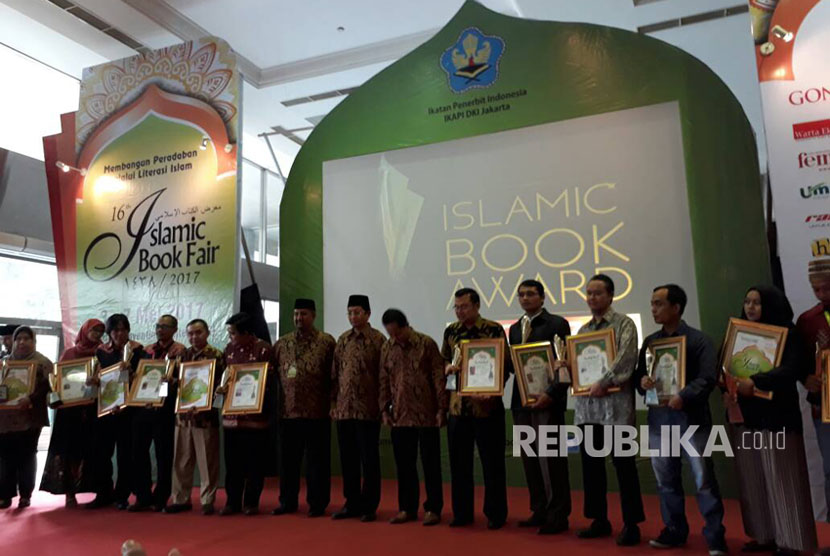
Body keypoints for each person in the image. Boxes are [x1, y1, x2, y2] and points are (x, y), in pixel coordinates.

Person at [635, 284, 727, 555]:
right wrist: (643, 382)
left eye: (659, 304)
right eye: (652, 304)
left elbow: (708, 378)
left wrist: (684, 395)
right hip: (658, 420)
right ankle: (674, 530)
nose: (653, 309)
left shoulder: (699, 341)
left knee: (703, 480)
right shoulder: (650, 342)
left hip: (691, 420)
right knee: (666, 481)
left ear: (676, 307)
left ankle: (715, 537)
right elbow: (641, 380)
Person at [726, 285, 817, 555]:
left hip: (777, 417)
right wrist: (727, 385)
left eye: (757, 302)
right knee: (753, 478)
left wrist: (755, 381)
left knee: (782, 478)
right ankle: (763, 535)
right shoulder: (738, 333)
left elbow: (791, 370)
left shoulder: (787, 333)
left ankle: (791, 541)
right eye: (747, 301)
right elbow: (725, 367)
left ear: (772, 305)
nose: (750, 307)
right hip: (745, 416)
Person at [571, 275, 644, 544]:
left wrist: (604, 381)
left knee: (624, 467)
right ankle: (599, 520)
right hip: (587, 410)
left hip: (617, 410)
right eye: (588, 293)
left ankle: (631, 524)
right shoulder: (583, 331)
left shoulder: (624, 324)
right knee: (591, 468)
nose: (592, 298)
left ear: (611, 296)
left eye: (598, 293)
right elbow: (579, 366)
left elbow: (627, 358)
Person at [441, 288, 511, 529]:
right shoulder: (451, 331)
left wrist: (492, 391)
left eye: (464, 307)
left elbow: (506, 366)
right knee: (459, 465)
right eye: (457, 307)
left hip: (488, 408)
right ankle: (462, 513)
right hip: (458, 409)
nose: (460, 311)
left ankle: (496, 514)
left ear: (477, 306)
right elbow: (445, 360)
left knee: (492, 464)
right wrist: (447, 368)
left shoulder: (493, 329)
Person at [508, 279, 572, 535]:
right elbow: (512, 366)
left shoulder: (557, 324)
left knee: (551, 460)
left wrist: (553, 393)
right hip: (521, 402)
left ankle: (558, 515)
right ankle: (539, 510)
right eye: (521, 294)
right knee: (529, 458)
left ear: (542, 298)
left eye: (531, 294)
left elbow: (564, 362)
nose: (525, 298)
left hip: (549, 401)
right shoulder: (514, 329)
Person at [379, 308, 447, 526]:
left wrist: (441, 409)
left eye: (398, 333)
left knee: (430, 464)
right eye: (390, 334)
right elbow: (384, 381)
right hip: (399, 414)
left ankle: (433, 509)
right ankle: (407, 508)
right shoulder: (387, 347)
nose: (395, 337)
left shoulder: (426, 344)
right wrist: (384, 410)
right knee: (404, 465)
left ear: (406, 326)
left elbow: (438, 378)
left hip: (426, 414)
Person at [272, 298, 336, 517]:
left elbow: (334, 377)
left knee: (317, 462)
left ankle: (317, 503)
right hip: (288, 412)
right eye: (296, 314)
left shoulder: (326, 342)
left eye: (304, 314)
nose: (299, 318)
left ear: (314, 316)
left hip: (317, 411)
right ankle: (287, 502)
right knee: (288, 462)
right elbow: (273, 376)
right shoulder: (281, 343)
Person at [330, 295, 385, 522]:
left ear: (368, 314)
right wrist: (333, 404)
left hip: (368, 410)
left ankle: (369, 506)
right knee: (348, 459)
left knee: (369, 460)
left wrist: (384, 406)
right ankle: (351, 503)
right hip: (344, 411)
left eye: (358, 312)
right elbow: (335, 376)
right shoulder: (342, 340)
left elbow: (384, 377)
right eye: (350, 312)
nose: (353, 317)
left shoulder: (378, 340)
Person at [40, 318, 104, 507]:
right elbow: (60, 381)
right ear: (85, 331)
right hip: (69, 412)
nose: (97, 335)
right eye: (94, 330)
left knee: (91, 450)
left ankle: (93, 489)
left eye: (101, 332)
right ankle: (69, 492)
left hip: (93, 410)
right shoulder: (70, 353)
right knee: (68, 451)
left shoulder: (103, 353)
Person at [164, 319, 224, 516]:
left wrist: (212, 404)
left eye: (198, 332)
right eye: (190, 333)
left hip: (206, 417)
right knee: (181, 459)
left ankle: (207, 500)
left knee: (208, 461)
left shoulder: (217, 356)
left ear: (207, 333)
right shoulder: (182, 355)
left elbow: (221, 387)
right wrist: (170, 381)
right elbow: (177, 384)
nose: (194, 337)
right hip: (183, 416)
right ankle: (180, 498)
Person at [220, 312, 274, 516]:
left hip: (255, 419)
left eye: (232, 333)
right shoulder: (229, 350)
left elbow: (267, 383)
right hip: (232, 418)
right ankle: (232, 502)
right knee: (233, 464)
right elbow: (226, 377)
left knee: (254, 463)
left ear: (245, 332)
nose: (230, 337)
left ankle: (251, 502)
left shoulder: (264, 350)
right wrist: (223, 388)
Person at [88, 314, 144, 510]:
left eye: (123, 329)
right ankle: (103, 493)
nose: (120, 334)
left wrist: (133, 373)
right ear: (109, 333)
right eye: (115, 330)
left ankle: (122, 495)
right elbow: (98, 377)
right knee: (101, 453)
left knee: (125, 455)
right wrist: (93, 382)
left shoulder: (138, 350)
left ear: (128, 330)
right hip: (106, 409)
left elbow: (145, 380)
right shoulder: (101, 352)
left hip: (129, 411)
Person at [130, 314, 186, 512]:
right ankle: (142, 496)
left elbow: (185, 379)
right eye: (158, 326)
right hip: (143, 407)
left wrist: (172, 379)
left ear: (174, 329)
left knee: (164, 455)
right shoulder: (146, 350)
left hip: (165, 409)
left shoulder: (180, 351)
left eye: (165, 326)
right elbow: (138, 376)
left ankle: (161, 497)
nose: (160, 329)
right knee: (138, 452)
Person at [0, 326, 52, 509]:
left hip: (30, 418)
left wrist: (30, 398)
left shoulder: (43, 362)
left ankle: (25, 495)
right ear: (13, 342)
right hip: (5, 419)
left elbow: (49, 387)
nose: (22, 342)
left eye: (26, 338)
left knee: (26, 456)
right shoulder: (4, 363)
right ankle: (5, 495)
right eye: (18, 339)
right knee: (5, 457)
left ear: (34, 341)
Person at [799, 258, 830, 518]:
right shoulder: (808, 320)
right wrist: (805, 378)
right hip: (825, 406)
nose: (822, 295)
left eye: (827, 288)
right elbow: (797, 361)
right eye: (816, 290)